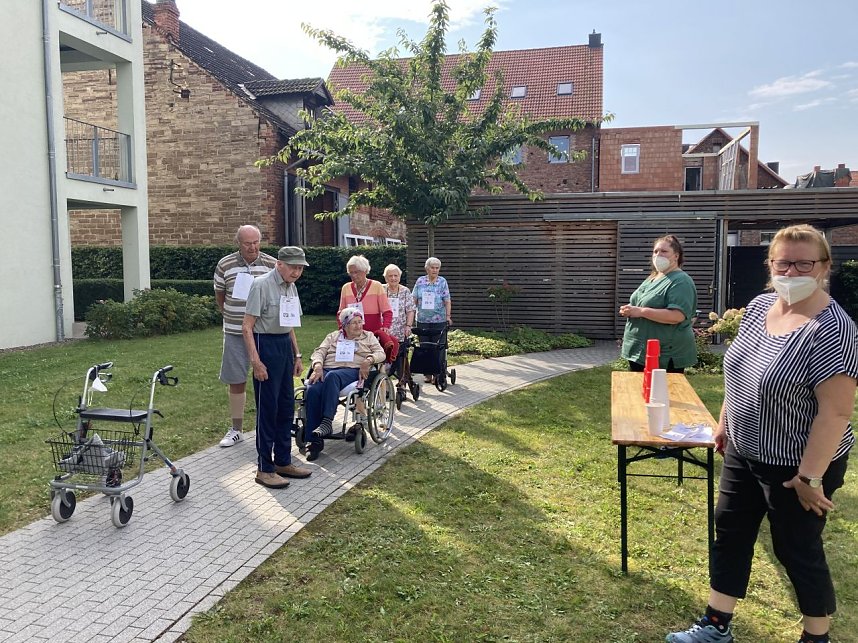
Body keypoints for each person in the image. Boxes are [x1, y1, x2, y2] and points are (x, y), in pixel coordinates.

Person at [667, 224, 858, 643]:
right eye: (782, 262)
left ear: (824, 267)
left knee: (796, 549)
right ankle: (715, 627)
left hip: (796, 464)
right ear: (770, 264)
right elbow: (741, 372)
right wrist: (724, 424)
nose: (791, 272)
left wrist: (809, 477)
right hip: (744, 447)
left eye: (803, 263)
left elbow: (836, 411)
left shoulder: (834, 329)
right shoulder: (758, 307)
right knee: (730, 531)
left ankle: (816, 637)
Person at [242, 246, 313, 489]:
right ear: (279, 264)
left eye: (300, 268)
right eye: (293, 266)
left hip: (284, 346)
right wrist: (256, 361)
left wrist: (297, 355)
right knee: (267, 410)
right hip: (265, 345)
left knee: (285, 407)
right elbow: (247, 327)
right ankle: (265, 468)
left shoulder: (290, 287)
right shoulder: (261, 285)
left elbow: (290, 324)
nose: (297, 272)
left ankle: (283, 461)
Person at [213, 225, 277, 447]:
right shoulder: (225, 264)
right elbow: (220, 296)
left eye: (256, 242)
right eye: (247, 243)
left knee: (269, 378)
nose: (253, 247)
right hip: (234, 331)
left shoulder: (270, 264)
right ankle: (237, 429)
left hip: (264, 332)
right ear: (238, 243)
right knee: (236, 379)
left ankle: (269, 426)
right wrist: (233, 316)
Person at [303, 308, 386, 462]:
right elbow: (319, 352)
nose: (358, 326)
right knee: (312, 389)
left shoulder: (368, 337)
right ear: (345, 325)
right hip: (328, 369)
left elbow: (381, 353)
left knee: (333, 377)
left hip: (352, 370)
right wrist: (318, 365)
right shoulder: (333, 336)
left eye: (360, 322)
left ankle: (327, 421)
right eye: (353, 323)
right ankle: (313, 441)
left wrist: (368, 360)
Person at [619, 234, 697, 373]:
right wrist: (630, 310)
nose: (658, 255)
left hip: (664, 354)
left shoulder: (681, 280)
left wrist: (641, 312)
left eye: (664, 251)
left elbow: (677, 316)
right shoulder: (653, 277)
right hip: (640, 351)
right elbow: (642, 302)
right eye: (655, 251)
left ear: (676, 256)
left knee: (663, 393)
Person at [412, 257, 453, 382]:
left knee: (438, 347)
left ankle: (438, 373)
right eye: (432, 267)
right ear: (427, 268)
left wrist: (448, 317)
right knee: (424, 347)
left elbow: (447, 300)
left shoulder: (442, 282)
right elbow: (414, 299)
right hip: (422, 320)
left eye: (437, 268)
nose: (435, 270)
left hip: (439, 320)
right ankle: (427, 374)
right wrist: (410, 315)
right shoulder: (420, 281)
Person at [382, 263, 415, 395]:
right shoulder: (381, 289)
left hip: (400, 331)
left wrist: (408, 326)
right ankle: (383, 384)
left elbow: (411, 310)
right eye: (390, 276)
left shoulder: (405, 291)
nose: (393, 278)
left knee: (401, 358)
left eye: (396, 275)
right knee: (383, 357)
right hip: (384, 331)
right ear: (386, 278)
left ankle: (402, 384)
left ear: (400, 277)